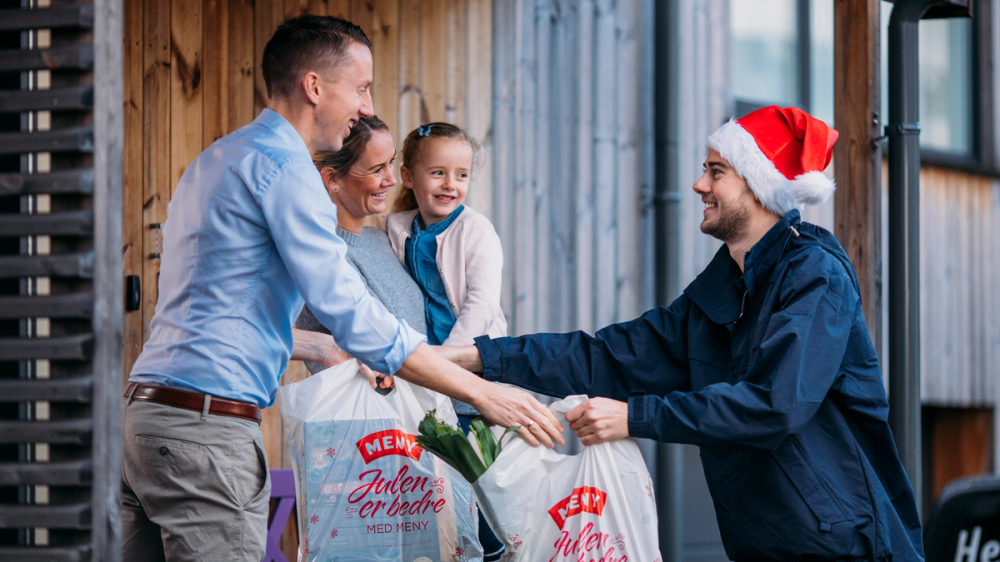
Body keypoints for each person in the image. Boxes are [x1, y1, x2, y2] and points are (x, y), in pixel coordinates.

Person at [121, 15, 562, 561]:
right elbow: (349, 309)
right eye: (359, 87)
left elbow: (221, 309)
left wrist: (322, 347)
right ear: (313, 87)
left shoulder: (218, 158)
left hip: (146, 422)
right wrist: (479, 390)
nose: (365, 104)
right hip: (208, 433)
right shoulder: (286, 168)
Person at [440, 106, 925, 561]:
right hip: (762, 544)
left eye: (716, 171)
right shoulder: (719, 294)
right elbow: (605, 356)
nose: (699, 184)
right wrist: (474, 358)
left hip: (847, 547)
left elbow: (775, 405)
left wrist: (637, 416)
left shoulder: (815, 277)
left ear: (760, 185)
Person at [384, 122, 508, 561]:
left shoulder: (477, 231)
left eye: (461, 174)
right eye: (437, 173)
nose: (450, 184)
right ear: (408, 177)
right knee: (439, 477)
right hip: (425, 377)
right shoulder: (397, 227)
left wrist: (439, 362)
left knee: (480, 475)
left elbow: (479, 307)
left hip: (471, 367)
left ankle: (497, 549)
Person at [294, 115, 425, 383]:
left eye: (391, 163)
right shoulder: (323, 255)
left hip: (418, 413)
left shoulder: (384, 239)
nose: (391, 180)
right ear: (332, 178)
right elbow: (375, 351)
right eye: (376, 169)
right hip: (368, 418)